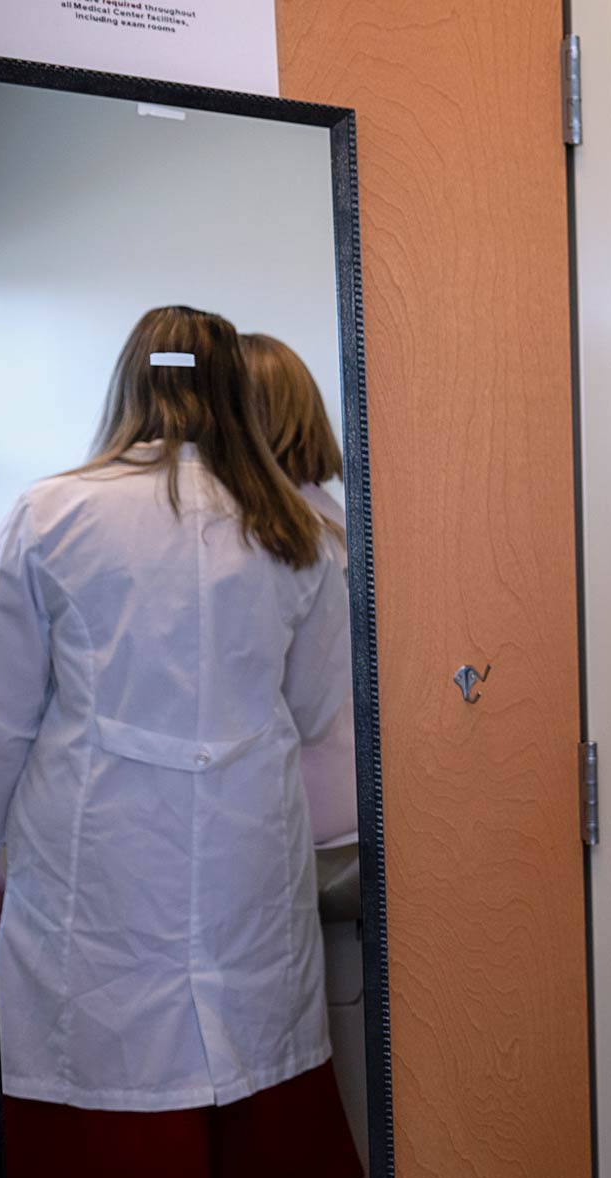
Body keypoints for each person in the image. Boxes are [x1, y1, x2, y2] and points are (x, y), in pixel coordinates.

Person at [0, 306, 363, 1178]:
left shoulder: (49, 513)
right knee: (250, 1114)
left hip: (95, 868)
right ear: (234, 384)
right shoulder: (297, 530)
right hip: (248, 865)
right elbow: (323, 706)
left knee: (93, 1123)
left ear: (130, 382)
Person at [241, 331, 357, 853]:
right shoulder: (330, 516)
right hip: (348, 778)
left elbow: (297, 705)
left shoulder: (279, 532)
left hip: (308, 797)